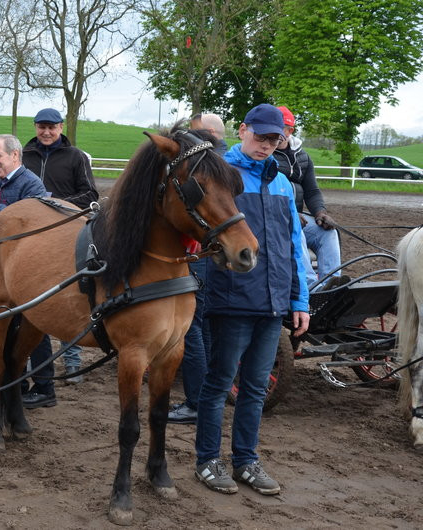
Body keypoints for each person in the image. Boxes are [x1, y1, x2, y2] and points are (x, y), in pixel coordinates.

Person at [194, 103, 309, 496]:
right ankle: (208, 460)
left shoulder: (283, 184)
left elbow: (294, 245)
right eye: (260, 137)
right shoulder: (220, 175)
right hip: (232, 299)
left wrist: (300, 300)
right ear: (242, 130)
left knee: (256, 387)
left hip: (273, 304)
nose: (266, 145)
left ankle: (245, 460)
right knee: (219, 384)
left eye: (274, 140)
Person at [21, 108, 99, 397]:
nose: (46, 132)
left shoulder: (75, 157)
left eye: (51, 127)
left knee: (67, 295)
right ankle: (34, 368)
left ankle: (72, 360)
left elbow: (90, 194)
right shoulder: (24, 156)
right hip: (32, 236)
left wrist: (55, 204)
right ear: (35, 127)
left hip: (67, 233)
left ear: (61, 127)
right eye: (42, 127)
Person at [167, 113, 225, 424]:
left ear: (210, 134)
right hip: (212, 254)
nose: (189, 140)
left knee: (192, 329)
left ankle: (196, 402)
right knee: (203, 327)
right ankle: (207, 397)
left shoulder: (209, 164)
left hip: (199, 253)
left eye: (195, 133)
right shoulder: (218, 161)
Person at [274, 106, 342, 289]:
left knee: (328, 232)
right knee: (296, 229)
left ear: (290, 131)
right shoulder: (265, 155)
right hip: (277, 217)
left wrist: (320, 212)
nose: (275, 132)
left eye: (280, 128)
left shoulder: (303, 157)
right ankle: (312, 287)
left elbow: (312, 191)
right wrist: (289, 213)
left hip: (299, 217)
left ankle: (332, 285)